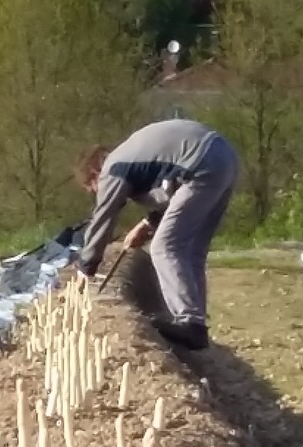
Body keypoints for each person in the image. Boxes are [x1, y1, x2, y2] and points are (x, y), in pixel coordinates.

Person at [74, 118, 239, 351]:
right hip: (224, 158)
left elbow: (104, 216)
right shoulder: (136, 156)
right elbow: (173, 194)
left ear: (94, 174)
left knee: (164, 247)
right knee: (192, 251)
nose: (97, 194)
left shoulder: (113, 167)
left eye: (92, 189)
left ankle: (189, 323)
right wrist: (146, 224)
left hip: (201, 163)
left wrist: (86, 267)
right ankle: (196, 324)